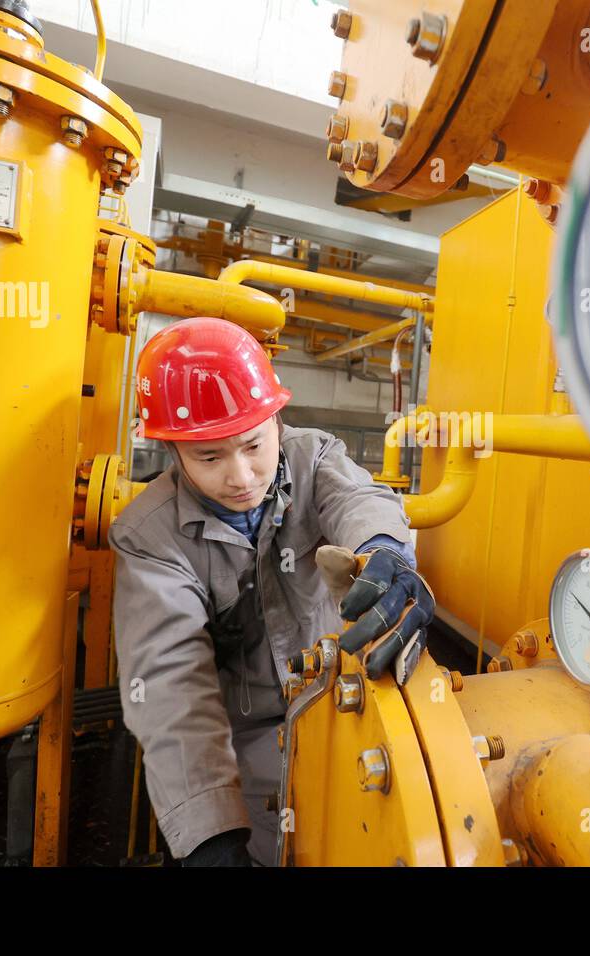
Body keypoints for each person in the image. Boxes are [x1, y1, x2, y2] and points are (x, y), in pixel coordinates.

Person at [109, 317, 434, 867]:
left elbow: (360, 502)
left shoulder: (315, 459)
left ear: (276, 419)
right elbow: (171, 684)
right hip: (242, 755)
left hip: (345, 711)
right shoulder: (148, 537)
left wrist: (385, 551)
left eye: (253, 445)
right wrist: (211, 832)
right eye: (210, 457)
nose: (240, 476)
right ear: (175, 451)